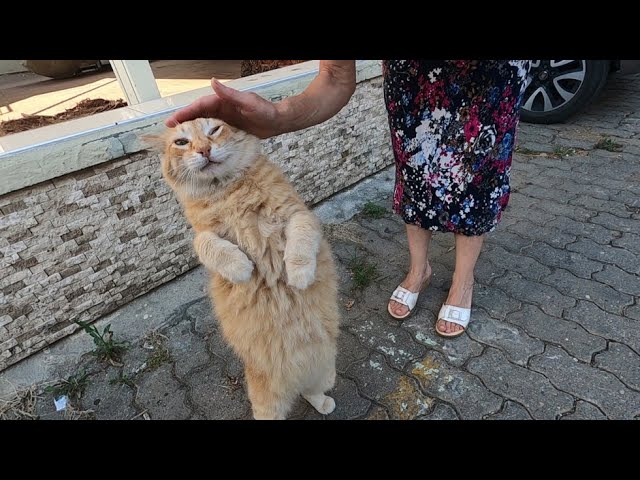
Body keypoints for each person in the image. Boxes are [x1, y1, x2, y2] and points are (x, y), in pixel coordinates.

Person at [166, 60, 531, 338]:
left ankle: (462, 281)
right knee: (417, 176)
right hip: (416, 82)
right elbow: (335, 78)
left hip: (490, 78)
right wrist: (277, 116)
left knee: (476, 182)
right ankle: (420, 269)